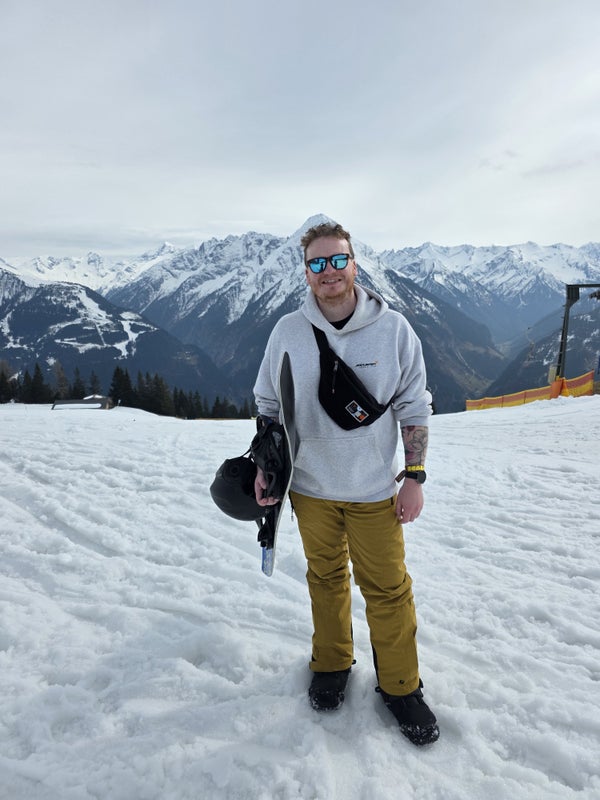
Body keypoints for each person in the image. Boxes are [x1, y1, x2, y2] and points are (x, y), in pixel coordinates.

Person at [252, 222, 439, 746]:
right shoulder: (287, 331)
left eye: (338, 260)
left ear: (355, 264)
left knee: (388, 589)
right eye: (317, 263)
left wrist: (415, 476)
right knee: (326, 577)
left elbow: (414, 406)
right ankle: (332, 663)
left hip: (374, 490)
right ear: (306, 272)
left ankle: (401, 686)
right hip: (309, 488)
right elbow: (268, 403)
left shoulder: (394, 329)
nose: (328, 271)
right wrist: (268, 466)